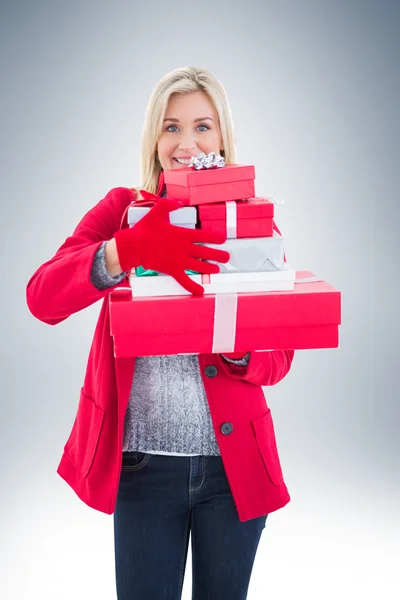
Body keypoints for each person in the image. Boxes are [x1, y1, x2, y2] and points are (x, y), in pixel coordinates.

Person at [26, 66, 295, 600]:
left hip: (232, 467)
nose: (186, 142)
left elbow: (280, 356)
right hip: (143, 470)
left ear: (223, 138)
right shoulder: (123, 211)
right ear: (154, 138)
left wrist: (239, 343)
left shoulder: (249, 223)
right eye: (171, 127)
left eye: (202, 126)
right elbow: (42, 298)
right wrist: (125, 251)